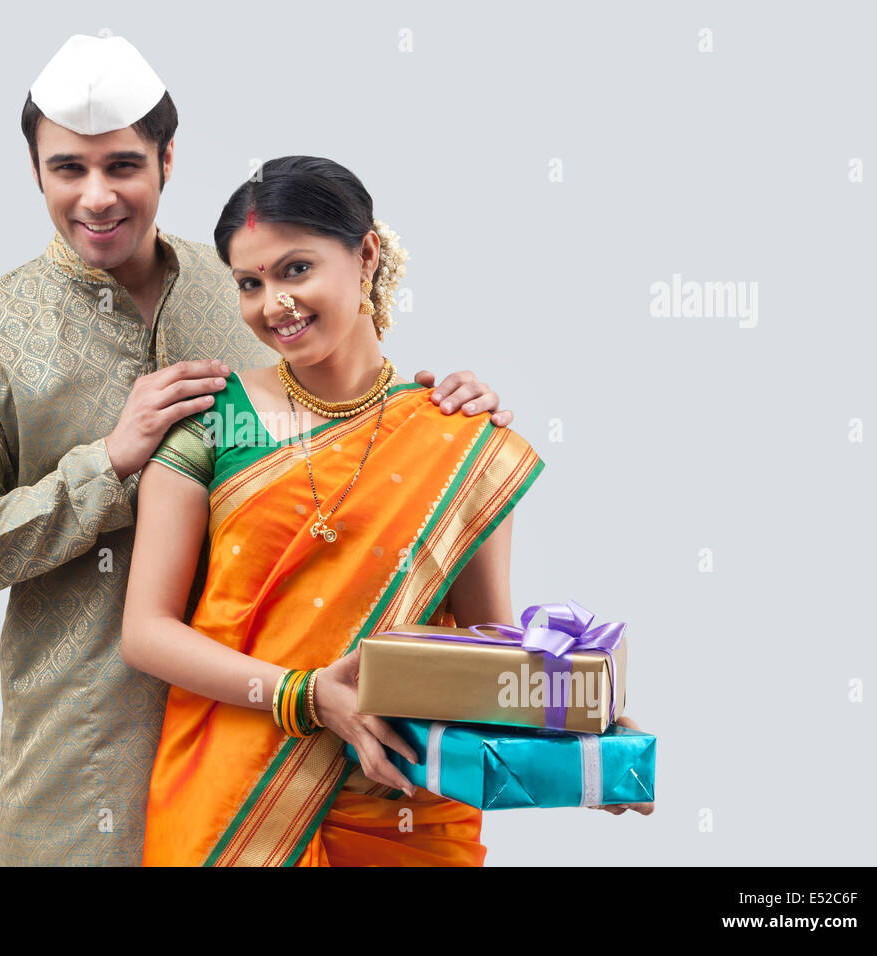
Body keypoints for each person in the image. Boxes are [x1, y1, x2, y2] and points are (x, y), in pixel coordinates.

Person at [0, 36, 513, 867]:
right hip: (84, 766)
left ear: (167, 158)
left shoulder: (242, 284)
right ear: (34, 171)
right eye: (66, 170)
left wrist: (446, 413)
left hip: (311, 754)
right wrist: (106, 465)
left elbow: (365, 454)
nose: (98, 196)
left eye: (122, 165)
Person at [122, 156, 652, 867]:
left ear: (365, 254)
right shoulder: (210, 423)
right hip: (235, 806)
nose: (273, 303)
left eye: (296, 269)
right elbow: (146, 633)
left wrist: (590, 732)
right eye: (250, 283)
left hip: (405, 807)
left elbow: (485, 641)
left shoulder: (460, 439)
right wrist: (305, 696)